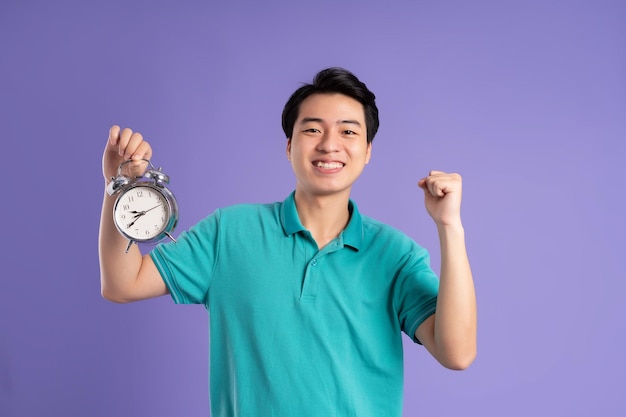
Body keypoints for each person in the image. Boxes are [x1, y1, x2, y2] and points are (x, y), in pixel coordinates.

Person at [99, 67, 476, 417]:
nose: (330, 145)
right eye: (313, 130)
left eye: (348, 131)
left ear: (368, 152)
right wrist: (119, 186)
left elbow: (457, 353)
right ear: (289, 145)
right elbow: (122, 283)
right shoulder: (229, 232)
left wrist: (450, 226)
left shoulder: (396, 255)